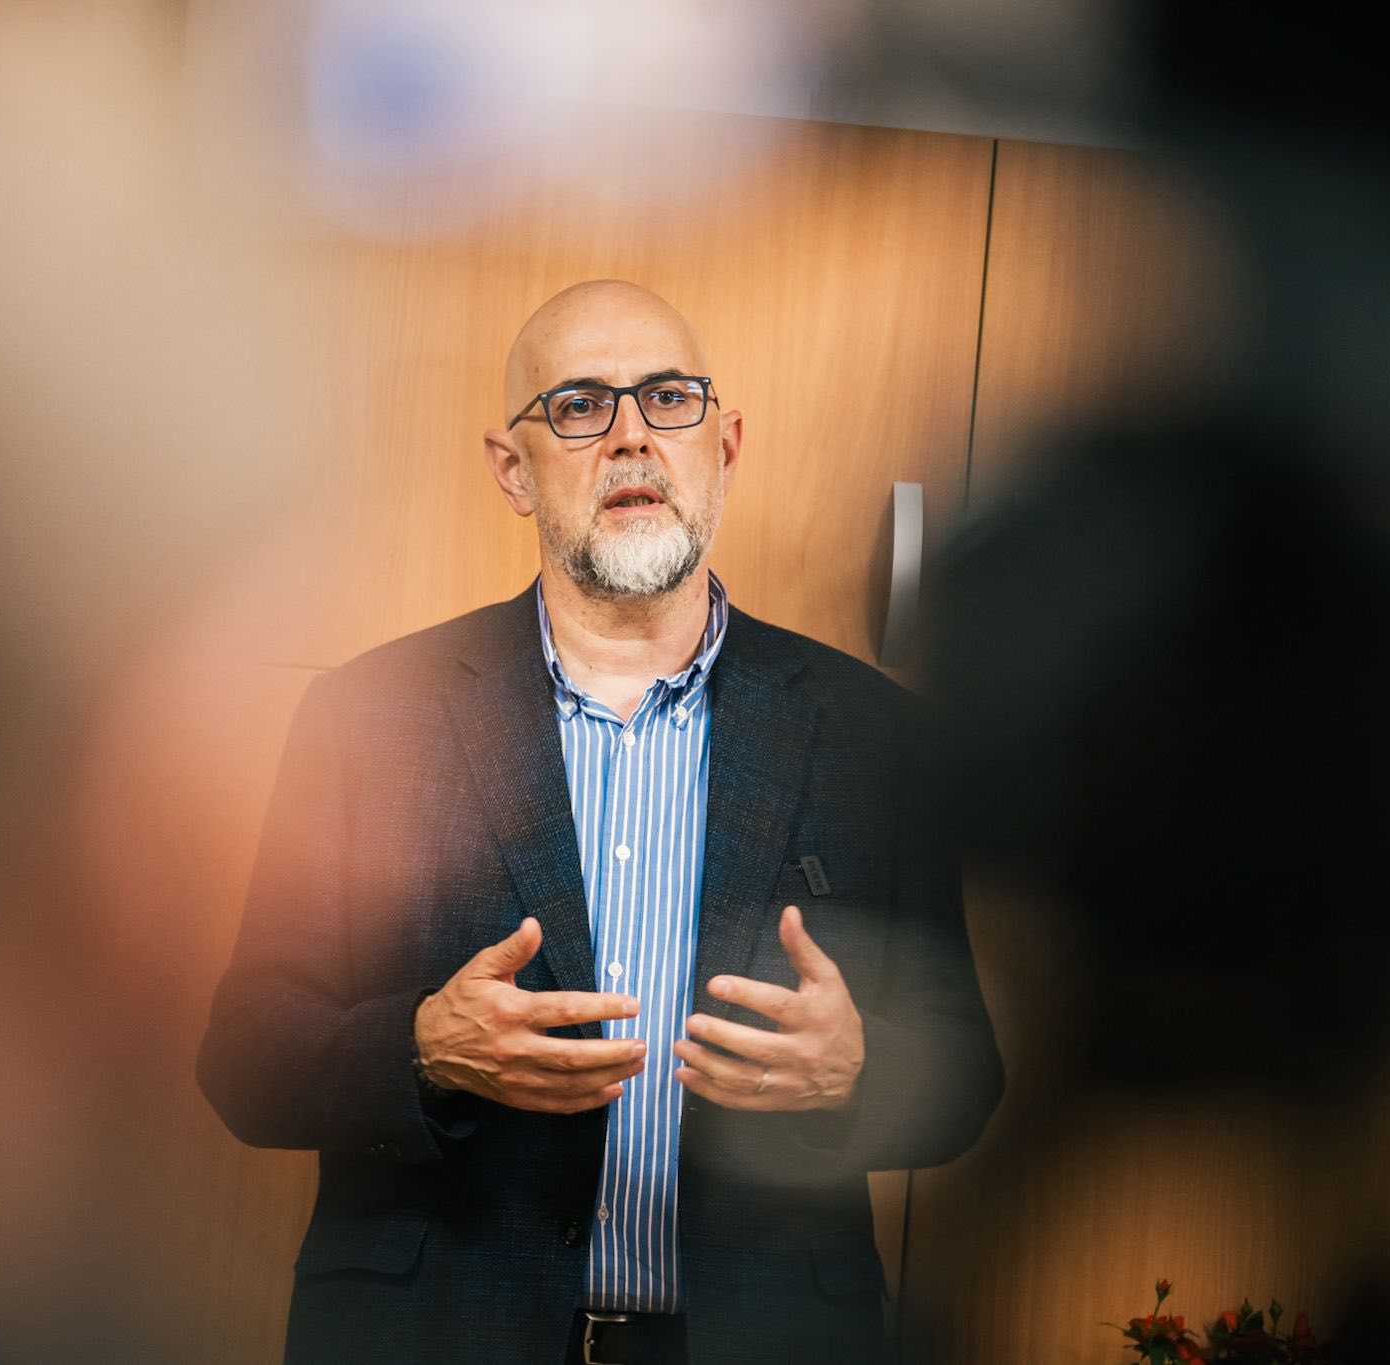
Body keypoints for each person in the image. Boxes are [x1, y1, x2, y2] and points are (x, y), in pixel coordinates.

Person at [196, 280, 1004, 1365]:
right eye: (579, 405)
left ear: (724, 446)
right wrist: (423, 1048)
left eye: (667, 398)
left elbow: (965, 1075)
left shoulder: (874, 737)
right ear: (512, 470)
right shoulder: (366, 717)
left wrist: (859, 1071)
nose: (631, 436)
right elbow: (246, 1055)